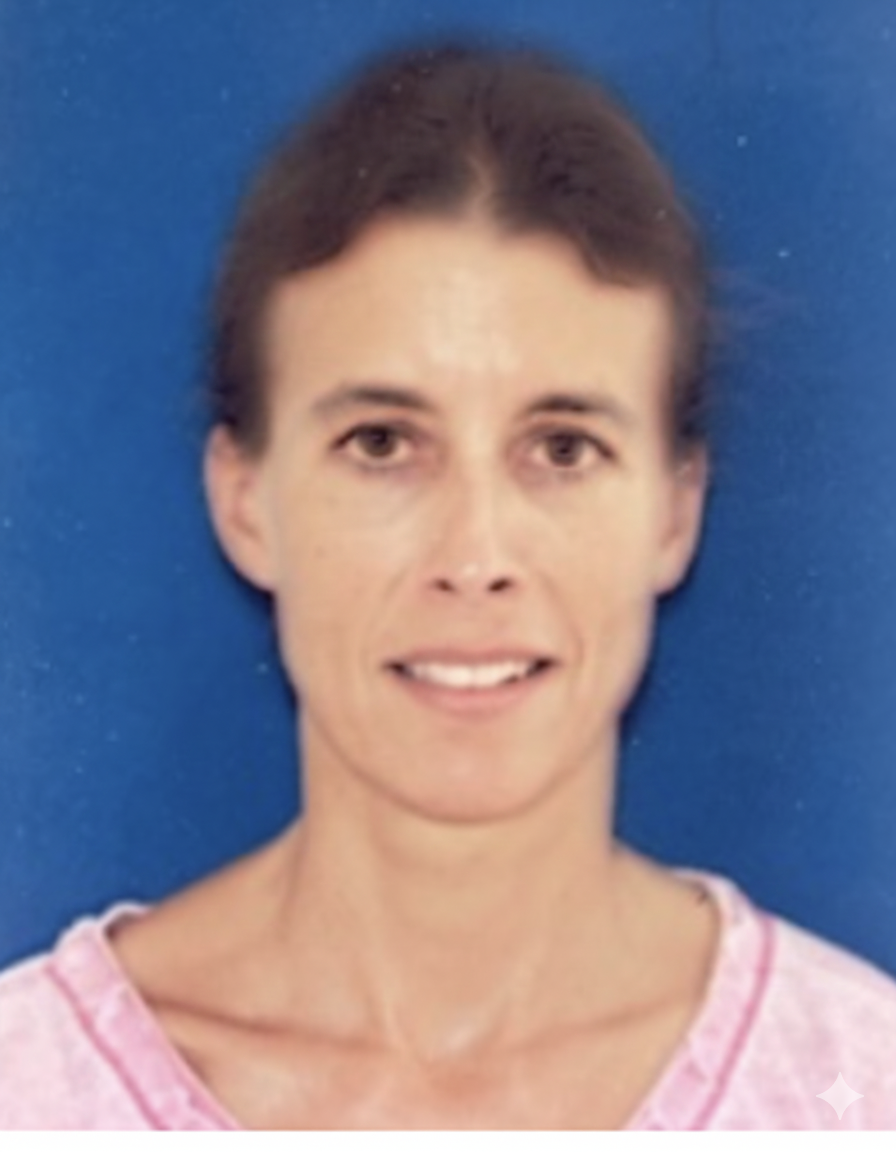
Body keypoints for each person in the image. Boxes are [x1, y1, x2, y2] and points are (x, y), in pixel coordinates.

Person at [2, 41, 896, 1131]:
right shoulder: (31, 1085)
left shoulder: (856, 1085)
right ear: (244, 499)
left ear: (674, 509)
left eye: (560, 449)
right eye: (382, 443)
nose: (474, 558)